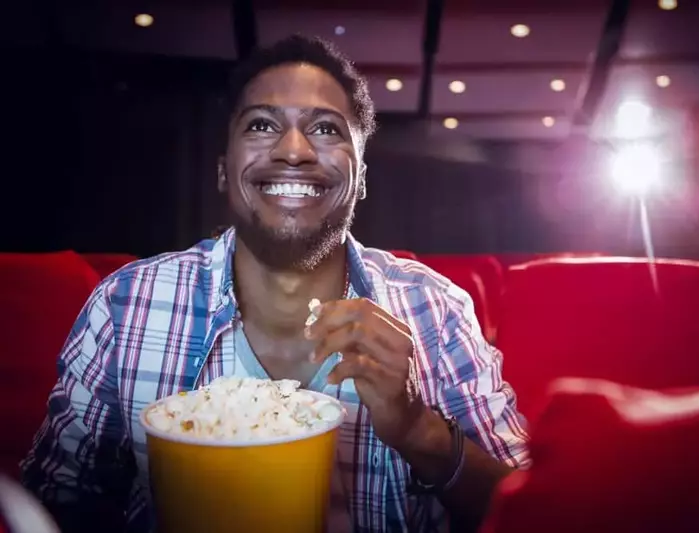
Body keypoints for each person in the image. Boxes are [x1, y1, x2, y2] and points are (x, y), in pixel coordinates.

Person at [21, 35, 529, 533]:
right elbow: (52, 501)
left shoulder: (436, 311)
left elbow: (529, 509)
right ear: (224, 170)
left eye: (326, 129)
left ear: (362, 176)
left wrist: (420, 430)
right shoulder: (126, 306)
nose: (293, 150)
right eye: (263, 125)